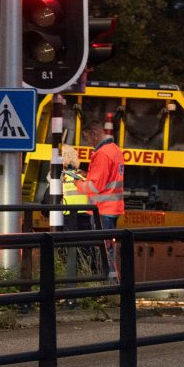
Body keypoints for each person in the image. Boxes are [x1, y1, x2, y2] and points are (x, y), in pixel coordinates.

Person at [70, 118, 124, 277]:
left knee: (103, 248)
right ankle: (111, 279)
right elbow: (107, 178)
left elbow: (96, 186)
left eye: (87, 137)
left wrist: (78, 183)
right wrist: (88, 176)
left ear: (94, 134)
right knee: (108, 246)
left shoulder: (101, 154)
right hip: (112, 206)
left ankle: (108, 281)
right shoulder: (114, 149)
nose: (87, 142)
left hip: (102, 208)